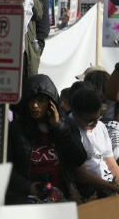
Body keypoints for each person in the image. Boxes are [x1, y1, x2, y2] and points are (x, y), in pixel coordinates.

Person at [6, 74, 87, 204]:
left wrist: (58, 127)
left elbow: (79, 158)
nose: (35, 105)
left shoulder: (66, 124)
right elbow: (6, 167)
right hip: (27, 197)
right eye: (31, 100)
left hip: (63, 194)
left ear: (52, 102)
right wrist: (29, 187)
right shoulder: (16, 129)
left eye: (41, 100)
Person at [70, 84, 119, 195]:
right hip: (90, 189)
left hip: (109, 184)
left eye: (98, 117)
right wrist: (114, 188)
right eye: (90, 120)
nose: (96, 124)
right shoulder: (70, 132)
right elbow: (82, 176)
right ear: (75, 115)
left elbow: (111, 164)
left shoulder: (100, 126)